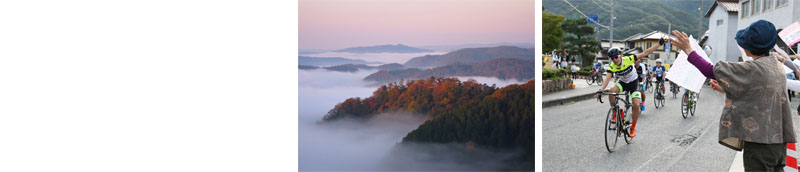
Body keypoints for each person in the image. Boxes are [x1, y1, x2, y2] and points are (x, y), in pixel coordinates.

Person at [670, 20, 796, 171]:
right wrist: (725, 89)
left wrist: (688, 49)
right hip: (777, 141)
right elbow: (759, 92)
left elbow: (711, 70)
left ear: (749, 47)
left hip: (760, 142)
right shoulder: (775, 65)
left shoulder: (754, 68)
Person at [596, 36, 664, 138]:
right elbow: (607, 78)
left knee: (636, 105)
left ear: (621, 56)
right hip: (622, 83)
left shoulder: (628, 59)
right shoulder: (612, 66)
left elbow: (645, 53)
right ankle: (615, 112)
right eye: (612, 58)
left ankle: (633, 127)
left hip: (633, 83)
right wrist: (601, 90)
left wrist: (659, 44)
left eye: (616, 57)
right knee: (611, 91)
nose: (614, 60)